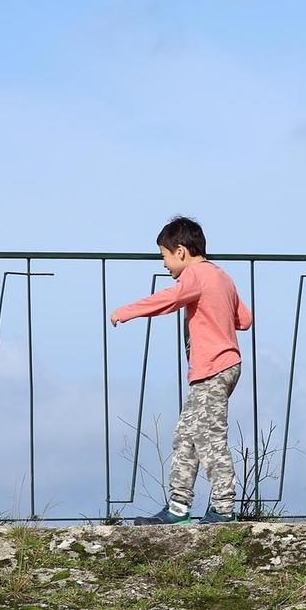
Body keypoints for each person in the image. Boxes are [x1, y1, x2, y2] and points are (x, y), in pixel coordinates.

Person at [110, 216, 253, 524]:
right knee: (186, 436)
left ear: (180, 251)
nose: (165, 266)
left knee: (209, 437)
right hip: (226, 365)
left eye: (164, 256)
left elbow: (169, 299)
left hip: (212, 368)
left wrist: (127, 311)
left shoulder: (195, 276)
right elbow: (245, 319)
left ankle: (224, 508)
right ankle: (178, 507)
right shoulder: (222, 276)